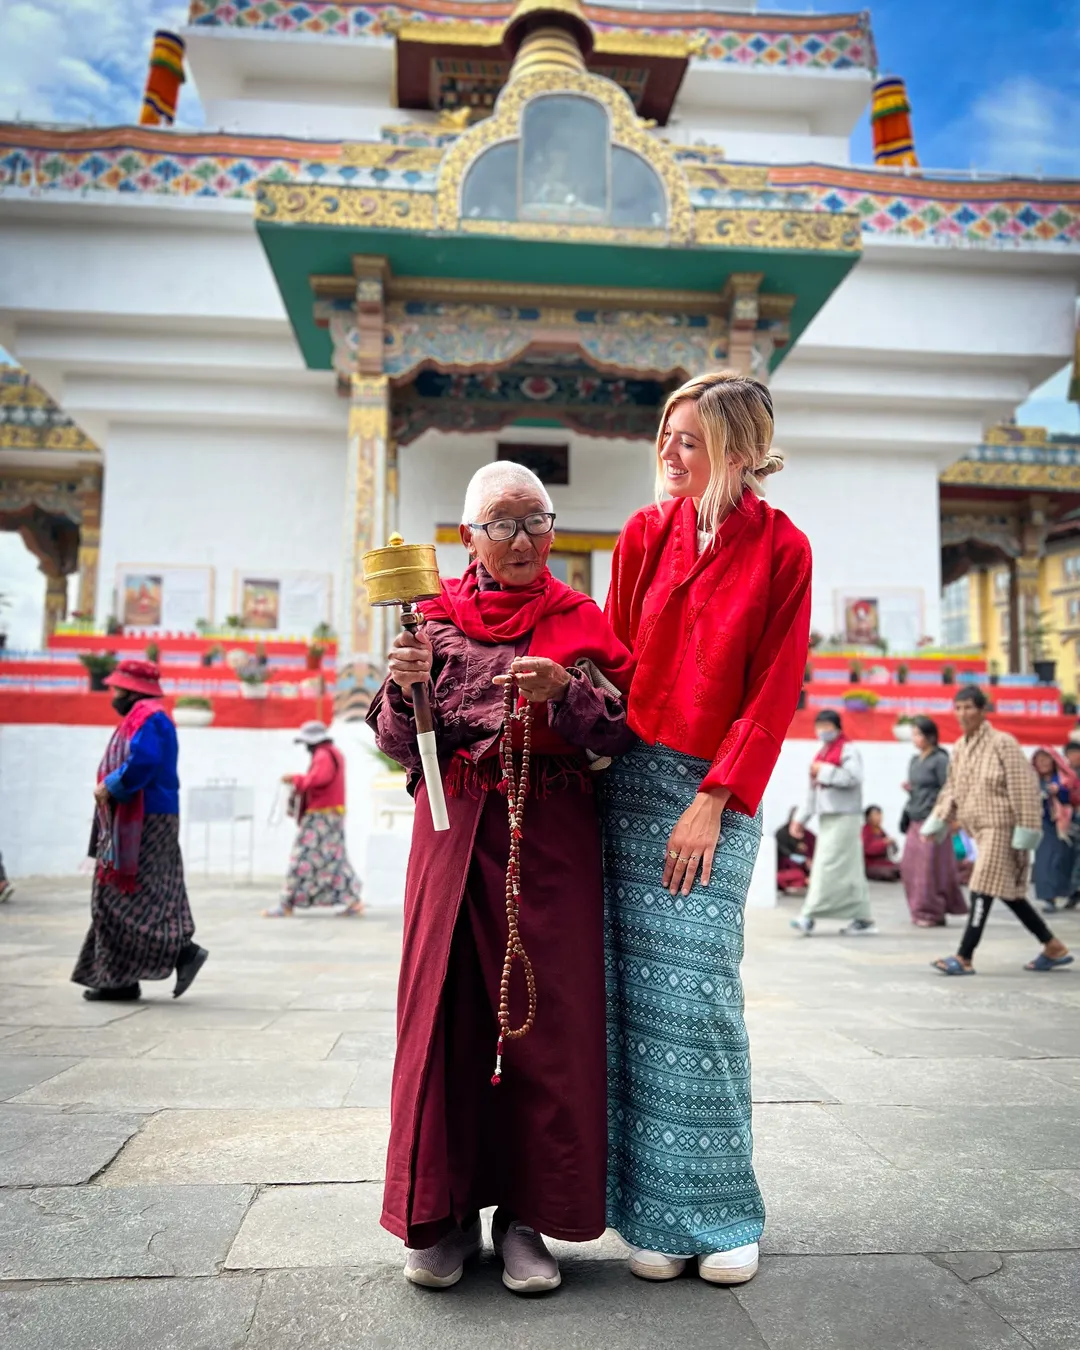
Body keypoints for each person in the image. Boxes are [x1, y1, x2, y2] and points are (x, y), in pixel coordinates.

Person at [368, 461, 635, 1295]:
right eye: (502, 524)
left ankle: (526, 1220)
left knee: (542, 1026)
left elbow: (623, 729)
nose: (521, 540)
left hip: (549, 836)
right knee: (445, 1016)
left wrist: (565, 695)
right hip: (453, 835)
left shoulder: (580, 619)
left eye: (535, 522)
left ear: (552, 530)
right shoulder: (432, 624)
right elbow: (393, 739)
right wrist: (403, 690)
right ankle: (441, 1217)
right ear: (467, 536)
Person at [603, 370, 811, 1286]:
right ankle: (651, 1211)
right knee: (634, 1006)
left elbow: (775, 687)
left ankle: (723, 1209)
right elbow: (608, 660)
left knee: (700, 1000)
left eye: (691, 439)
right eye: (666, 434)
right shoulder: (644, 535)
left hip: (714, 794)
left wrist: (714, 798)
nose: (670, 452)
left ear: (736, 447)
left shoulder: (785, 549)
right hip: (629, 784)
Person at [71, 659, 208, 1002]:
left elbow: (144, 762)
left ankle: (177, 953)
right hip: (151, 815)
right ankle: (122, 978)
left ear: (132, 689)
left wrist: (113, 785)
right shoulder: (149, 715)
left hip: (145, 816)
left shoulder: (147, 717)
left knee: (116, 898)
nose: (112, 693)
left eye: (117, 688)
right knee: (141, 893)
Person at [926, 685, 1073, 975]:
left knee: (981, 885)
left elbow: (1024, 788)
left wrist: (1026, 829)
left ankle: (964, 956)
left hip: (1002, 826)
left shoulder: (1003, 743)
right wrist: (940, 818)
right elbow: (952, 787)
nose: (963, 713)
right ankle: (1053, 946)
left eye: (969, 707)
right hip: (977, 827)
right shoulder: (960, 747)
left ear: (983, 711)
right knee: (1007, 891)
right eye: (958, 708)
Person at [263, 720, 364, 918]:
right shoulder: (334, 753)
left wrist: (295, 779)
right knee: (334, 860)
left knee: (302, 858)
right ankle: (352, 900)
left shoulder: (323, 755)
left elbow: (319, 779)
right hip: (331, 814)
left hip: (321, 816)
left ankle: (287, 903)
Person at [789, 710, 876, 936]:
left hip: (845, 817)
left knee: (826, 866)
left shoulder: (848, 750)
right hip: (828, 818)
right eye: (820, 725)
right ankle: (863, 917)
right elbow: (813, 791)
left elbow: (853, 777)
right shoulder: (822, 753)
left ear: (837, 727)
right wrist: (800, 819)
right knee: (850, 870)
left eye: (827, 725)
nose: (823, 730)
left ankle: (808, 915)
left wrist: (824, 771)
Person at [899, 715, 968, 927]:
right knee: (910, 867)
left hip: (934, 818)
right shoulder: (914, 760)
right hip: (915, 817)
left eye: (918, 734)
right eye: (913, 734)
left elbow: (950, 788)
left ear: (930, 736)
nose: (915, 738)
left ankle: (931, 910)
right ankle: (917, 908)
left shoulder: (940, 760)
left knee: (929, 868)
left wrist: (952, 817)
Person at [1031, 747, 1080, 915]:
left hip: (1064, 826)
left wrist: (1060, 792)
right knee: (1045, 862)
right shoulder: (1032, 781)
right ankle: (1048, 897)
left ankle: (1071, 893)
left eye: (1046, 759)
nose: (1043, 763)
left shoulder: (1066, 779)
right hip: (1042, 826)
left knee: (1064, 862)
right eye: (1040, 760)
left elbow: (1074, 798)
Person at [776, 807, 814, 893]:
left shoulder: (809, 836)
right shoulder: (782, 834)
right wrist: (802, 860)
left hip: (807, 872)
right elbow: (783, 853)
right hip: (786, 872)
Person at [862, 805, 901, 881]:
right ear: (868, 818)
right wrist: (883, 842)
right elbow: (867, 849)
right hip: (870, 865)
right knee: (889, 873)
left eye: (880, 815)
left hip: (883, 862)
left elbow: (893, 851)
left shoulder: (881, 831)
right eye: (876, 815)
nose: (879, 817)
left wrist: (892, 843)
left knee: (903, 868)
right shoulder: (865, 831)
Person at [1064, 739, 1080, 908]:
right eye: (1069, 754)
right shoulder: (1067, 774)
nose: (1073, 757)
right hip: (1072, 820)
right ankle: (1073, 891)